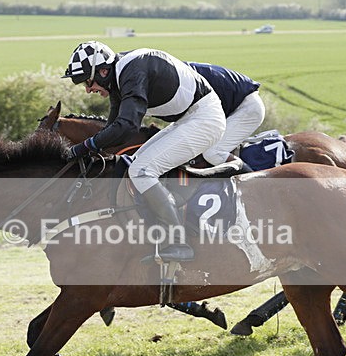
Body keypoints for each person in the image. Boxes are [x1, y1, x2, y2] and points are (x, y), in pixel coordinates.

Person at [62, 41, 226, 261]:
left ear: (103, 71)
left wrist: (84, 147)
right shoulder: (119, 76)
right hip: (190, 119)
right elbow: (113, 130)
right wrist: (90, 151)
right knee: (135, 164)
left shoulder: (132, 71)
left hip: (205, 119)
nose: (88, 90)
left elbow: (127, 126)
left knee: (141, 171)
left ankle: (179, 243)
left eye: (88, 82)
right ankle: (163, 222)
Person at [186, 62, 265, 168]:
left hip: (247, 108)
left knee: (213, 153)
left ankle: (251, 175)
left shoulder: (181, 80)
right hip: (239, 102)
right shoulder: (180, 71)